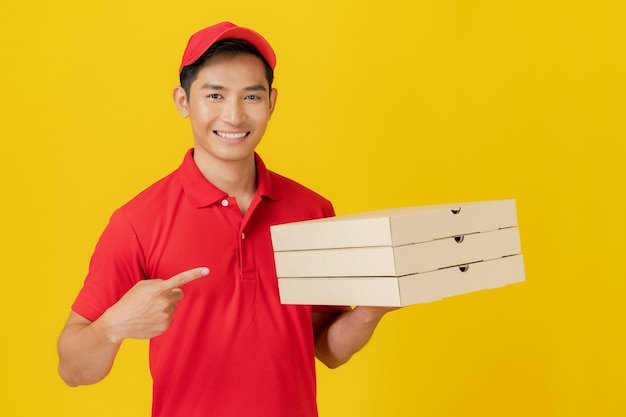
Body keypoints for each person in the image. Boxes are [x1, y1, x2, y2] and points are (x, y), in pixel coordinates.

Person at [57, 21, 396, 417]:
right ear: (183, 102)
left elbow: (326, 349)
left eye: (250, 96)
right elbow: (72, 369)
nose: (233, 116)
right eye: (214, 95)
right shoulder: (137, 221)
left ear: (271, 101)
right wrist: (114, 324)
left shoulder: (312, 212)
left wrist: (373, 309)